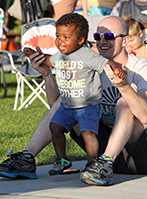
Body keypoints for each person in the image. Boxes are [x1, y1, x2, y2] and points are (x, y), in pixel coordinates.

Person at [0, 16, 147, 186]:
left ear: (124, 41)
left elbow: (145, 115)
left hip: (145, 153)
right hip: (106, 148)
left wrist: (124, 86)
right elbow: (57, 103)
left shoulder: (142, 68)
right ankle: (26, 158)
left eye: (108, 36)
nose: (101, 41)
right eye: (97, 36)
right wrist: (47, 75)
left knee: (125, 102)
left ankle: (105, 164)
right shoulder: (91, 65)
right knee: (69, 101)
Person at [23, 13, 125, 175]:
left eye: (65, 37)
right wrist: (34, 55)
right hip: (67, 105)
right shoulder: (61, 55)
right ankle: (62, 160)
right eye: (57, 36)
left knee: (88, 133)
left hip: (88, 105)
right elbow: (49, 61)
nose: (59, 40)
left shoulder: (86, 54)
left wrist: (116, 68)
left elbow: (105, 62)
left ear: (80, 40)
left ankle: (92, 163)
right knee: (54, 127)